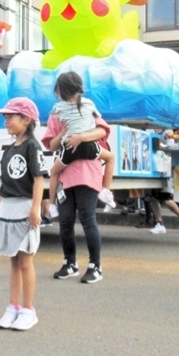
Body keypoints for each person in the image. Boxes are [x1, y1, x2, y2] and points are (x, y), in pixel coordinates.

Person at [0, 98, 46, 331]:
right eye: (5, 117)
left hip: (25, 206)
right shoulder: (9, 149)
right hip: (8, 207)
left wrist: (35, 207)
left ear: (26, 120)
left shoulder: (33, 146)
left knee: (25, 260)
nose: (6, 121)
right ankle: (13, 307)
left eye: (11, 116)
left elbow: (39, 178)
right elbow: (4, 183)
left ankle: (28, 310)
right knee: (13, 260)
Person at [42, 103, 109, 284]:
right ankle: (69, 263)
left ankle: (95, 266)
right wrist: (63, 134)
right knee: (65, 222)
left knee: (88, 220)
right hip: (65, 176)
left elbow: (101, 131)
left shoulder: (86, 108)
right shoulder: (56, 113)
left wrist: (81, 137)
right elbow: (52, 145)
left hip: (88, 174)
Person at [48, 72, 116, 209]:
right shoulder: (89, 104)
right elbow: (101, 126)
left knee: (54, 172)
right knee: (111, 158)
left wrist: (65, 133)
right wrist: (83, 135)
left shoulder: (57, 109)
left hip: (68, 148)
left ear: (60, 90)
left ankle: (51, 204)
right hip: (89, 147)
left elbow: (51, 145)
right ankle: (106, 190)